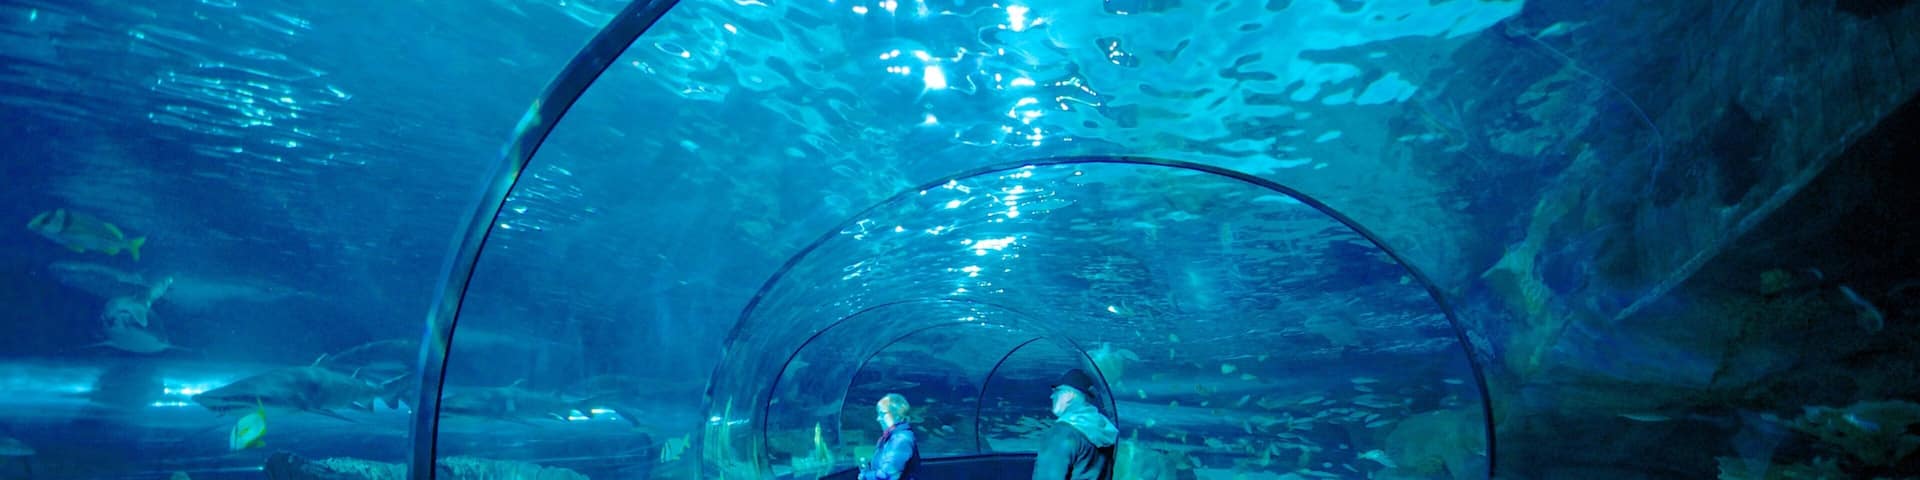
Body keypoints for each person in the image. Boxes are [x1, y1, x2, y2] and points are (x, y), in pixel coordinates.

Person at [1032, 369, 1118, 480]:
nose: (1052, 396)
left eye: (1057, 391)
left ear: (1069, 395)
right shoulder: (1104, 430)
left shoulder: (1061, 433)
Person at [860, 393, 920, 480]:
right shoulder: (888, 438)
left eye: (882, 414)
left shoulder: (901, 440)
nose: (878, 418)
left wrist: (865, 476)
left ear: (897, 415)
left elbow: (888, 475)